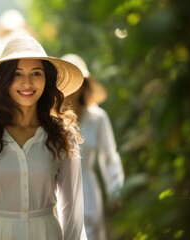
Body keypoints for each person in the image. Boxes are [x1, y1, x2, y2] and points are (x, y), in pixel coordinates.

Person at [0, 35, 88, 240]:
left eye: (36, 73)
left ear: (46, 79)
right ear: (4, 80)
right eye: (17, 74)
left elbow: (72, 211)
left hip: (46, 234)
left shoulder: (62, 136)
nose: (27, 83)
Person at [62, 54, 125, 240]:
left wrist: (116, 191)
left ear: (84, 86)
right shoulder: (51, 120)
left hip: (88, 190)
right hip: (57, 191)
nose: (73, 90)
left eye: (78, 83)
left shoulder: (98, 118)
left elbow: (109, 157)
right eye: (68, 83)